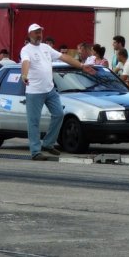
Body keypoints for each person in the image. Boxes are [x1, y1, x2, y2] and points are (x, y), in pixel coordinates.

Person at [20, 23, 95, 161]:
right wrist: (24, 75)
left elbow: (64, 57)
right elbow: (25, 63)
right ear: (30, 34)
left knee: (59, 114)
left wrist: (81, 66)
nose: (39, 35)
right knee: (34, 121)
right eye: (36, 32)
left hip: (49, 89)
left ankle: (48, 144)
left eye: (40, 32)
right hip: (34, 91)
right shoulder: (26, 50)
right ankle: (35, 151)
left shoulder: (46, 48)